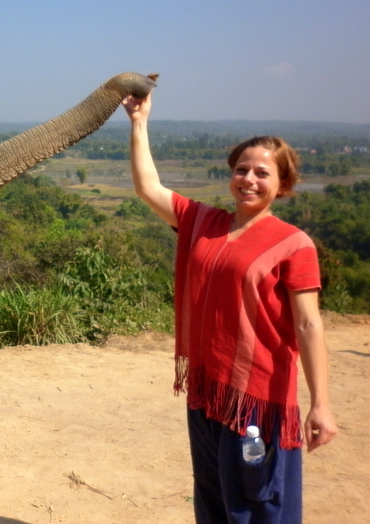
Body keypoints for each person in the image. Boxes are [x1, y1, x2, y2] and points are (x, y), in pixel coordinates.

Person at [122, 91, 338, 524]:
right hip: (208, 390)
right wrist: (139, 122)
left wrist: (321, 404)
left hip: (257, 397)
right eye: (241, 170)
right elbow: (149, 187)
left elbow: (308, 324)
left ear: (283, 184)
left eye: (262, 173)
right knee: (214, 497)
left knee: (257, 503)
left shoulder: (294, 244)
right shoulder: (205, 223)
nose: (249, 179)